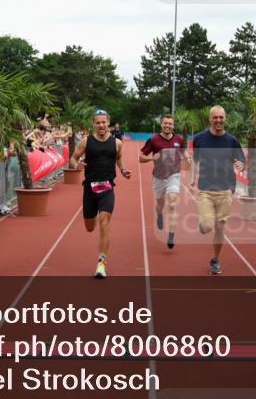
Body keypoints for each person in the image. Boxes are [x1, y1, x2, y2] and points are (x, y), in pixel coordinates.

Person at [69, 109, 132, 279]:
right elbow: (73, 158)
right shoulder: (85, 142)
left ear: (109, 122)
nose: (101, 125)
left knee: (105, 223)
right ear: (93, 124)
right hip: (89, 189)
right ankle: (93, 215)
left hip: (107, 188)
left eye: (104, 122)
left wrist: (123, 170)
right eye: (98, 122)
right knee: (90, 227)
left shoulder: (117, 143)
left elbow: (118, 158)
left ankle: (101, 264)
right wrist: (76, 166)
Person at [191, 106, 245, 275]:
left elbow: (242, 160)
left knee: (220, 228)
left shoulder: (231, 141)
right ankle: (203, 225)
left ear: (225, 119)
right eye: (215, 117)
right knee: (207, 227)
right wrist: (193, 178)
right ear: (210, 119)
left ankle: (215, 259)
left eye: (221, 117)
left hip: (226, 189)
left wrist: (241, 164)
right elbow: (195, 160)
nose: (218, 120)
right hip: (206, 189)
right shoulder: (200, 138)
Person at [139, 114, 190, 250]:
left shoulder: (178, 139)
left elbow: (184, 151)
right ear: (161, 124)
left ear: (173, 126)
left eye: (170, 124)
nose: (167, 126)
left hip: (174, 175)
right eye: (165, 123)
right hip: (159, 177)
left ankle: (171, 234)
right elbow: (141, 157)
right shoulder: (153, 140)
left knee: (172, 203)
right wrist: (151, 158)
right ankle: (160, 215)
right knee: (160, 204)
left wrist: (187, 157)